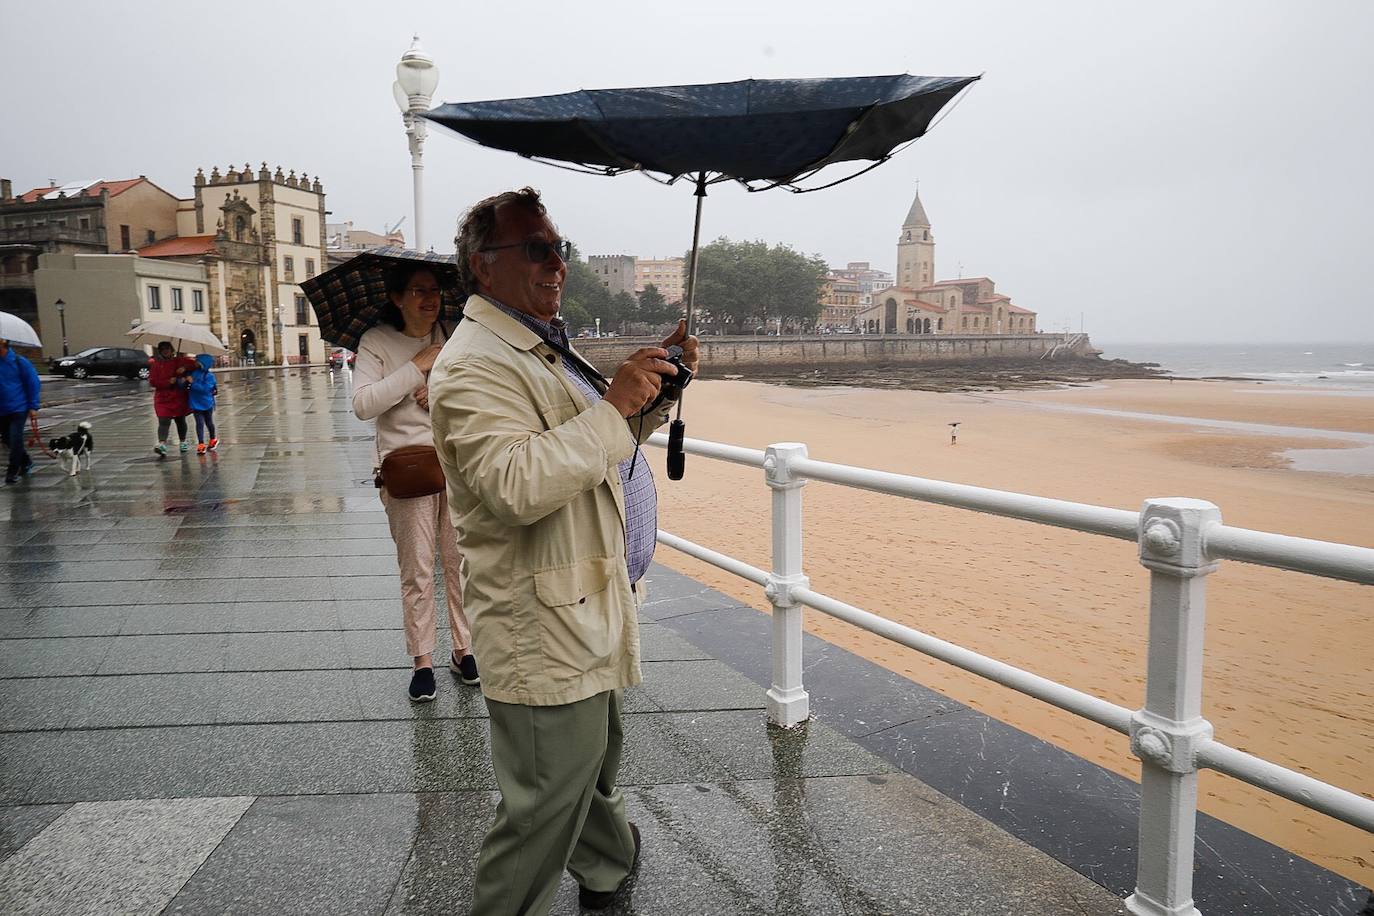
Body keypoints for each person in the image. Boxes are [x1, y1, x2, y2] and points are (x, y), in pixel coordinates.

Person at [429, 187, 699, 915]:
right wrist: (614, 407)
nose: (558, 264)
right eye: (538, 249)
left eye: (562, 249)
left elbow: (599, 454)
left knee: (592, 758)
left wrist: (655, 396)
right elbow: (515, 484)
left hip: (583, 600)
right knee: (544, 800)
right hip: (540, 620)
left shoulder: (539, 343)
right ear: (483, 267)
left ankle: (609, 863)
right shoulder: (472, 366)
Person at [352, 263, 478, 702]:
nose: (430, 299)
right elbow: (364, 404)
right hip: (407, 470)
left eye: (435, 291)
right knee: (418, 569)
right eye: (419, 291)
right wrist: (416, 370)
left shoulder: (455, 336)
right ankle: (422, 660)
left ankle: (463, 649)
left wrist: (440, 393)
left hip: (456, 468)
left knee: (460, 564)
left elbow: (479, 395)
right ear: (397, 297)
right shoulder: (377, 342)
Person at [0, 337, 41, 485]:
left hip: (19, 407)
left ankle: (12, 472)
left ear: (3, 342)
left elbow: (33, 383)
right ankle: (26, 461)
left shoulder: (19, 361)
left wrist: (33, 406)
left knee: (15, 438)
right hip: (2, 410)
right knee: (7, 440)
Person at [148, 341, 195, 456]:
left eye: (167, 348)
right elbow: (153, 381)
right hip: (163, 397)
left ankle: (183, 441)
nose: (166, 350)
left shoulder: (179, 361)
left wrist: (183, 368)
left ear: (172, 350)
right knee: (163, 420)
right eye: (163, 349)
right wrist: (167, 382)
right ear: (160, 351)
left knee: (180, 419)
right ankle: (162, 444)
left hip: (178, 396)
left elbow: (194, 364)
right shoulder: (156, 365)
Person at [188, 354, 219, 454]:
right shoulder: (194, 373)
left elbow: (205, 389)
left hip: (207, 403)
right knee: (199, 423)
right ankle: (201, 443)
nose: (195, 362)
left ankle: (213, 438)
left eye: (197, 361)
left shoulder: (209, 376)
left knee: (209, 422)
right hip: (195, 402)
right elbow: (186, 385)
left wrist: (193, 383)